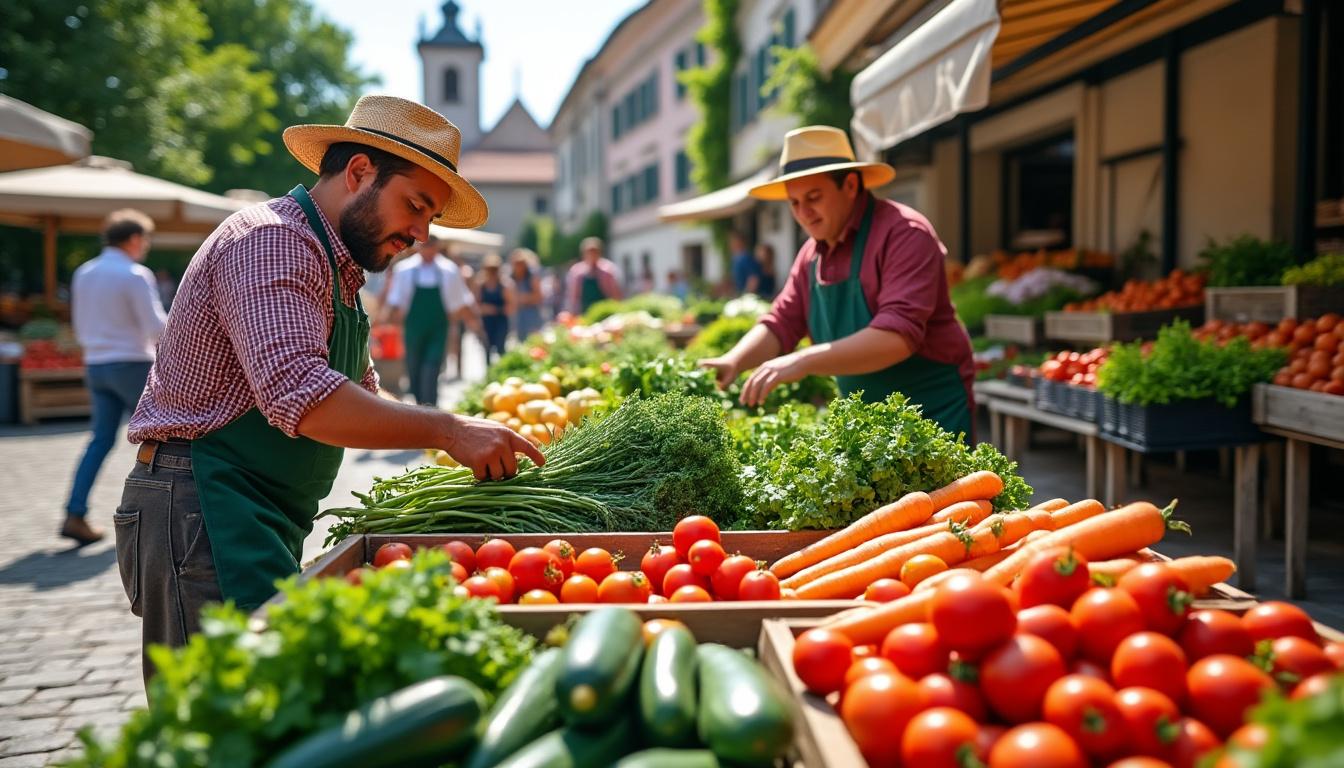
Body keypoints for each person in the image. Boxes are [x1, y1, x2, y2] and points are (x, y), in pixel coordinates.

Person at [120, 95, 543, 682]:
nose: (421, 233)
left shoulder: (333, 263)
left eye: (430, 218)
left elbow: (359, 390)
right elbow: (304, 394)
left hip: (250, 508)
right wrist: (448, 430)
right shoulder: (271, 241)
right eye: (415, 206)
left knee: (263, 696)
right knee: (218, 708)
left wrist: (455, 439)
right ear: (360, 172)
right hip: (200, 503)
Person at [698, 125, 975, 438]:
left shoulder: (905, 234)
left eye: (814, 197)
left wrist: (802, 361)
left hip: (932, 413)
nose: (804, 214)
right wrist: (733, 361)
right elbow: (782, 322)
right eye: (794, 202)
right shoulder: (810, 255)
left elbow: (898, 337)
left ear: (851, 185)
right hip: (865, 422)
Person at [62, 209, 168, 545]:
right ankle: (163, 520)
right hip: (132, 363)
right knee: (167, 439)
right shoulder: (135, 274)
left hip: (95, 364)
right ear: (134, 238)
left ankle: (74, 512)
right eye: (145, 239)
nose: (146, 246)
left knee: (100, 441)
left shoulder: (84, 271)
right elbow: (156, 327)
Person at [382, 236, 479, 406]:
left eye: (431, 246)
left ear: (437, 247)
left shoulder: (449, 270)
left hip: (438, 329)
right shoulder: (404, 270)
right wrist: (386, 321)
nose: (428, 250)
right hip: (413, 328)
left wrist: (472, 322)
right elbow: (395, 301)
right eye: (425, 246)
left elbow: (461, 301)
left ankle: (430, 407)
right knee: (413, 368)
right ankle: (419, 405)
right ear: (419, 247)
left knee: (431, 367)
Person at [564, 236, 621, 314]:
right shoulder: (577, 272)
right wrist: (572, 313)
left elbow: (615, 294)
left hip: (605, 311)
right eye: (589, 253)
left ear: (599, 253)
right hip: (585, 312)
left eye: (594, 253)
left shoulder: (607, 270)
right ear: (583, 254)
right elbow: (573, 297)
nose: (592, 256)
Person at [475, 253, 512, 365]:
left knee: (501, 348)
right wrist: (484, 309)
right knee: (486, 349)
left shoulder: (505, 285)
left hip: (500, 321)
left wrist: (495, 309)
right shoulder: (481, 285)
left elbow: (511, 306)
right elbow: (475, 304)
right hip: (486, 322)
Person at [509, 248, 545, 340]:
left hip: (531, 314)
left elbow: (539, 297)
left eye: (520, 263)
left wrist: (521, 298)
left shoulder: (532, 277)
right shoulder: (511, 277)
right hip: (517, 316)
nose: (518, 267)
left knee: (533, 340)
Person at [729, 231, 762, 295]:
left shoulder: (747, 258)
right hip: (740, 293)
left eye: (733, 241)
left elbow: (753, 280)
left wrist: (745, 295)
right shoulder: (736, 258)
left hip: (748, 296)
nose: (731, 244)